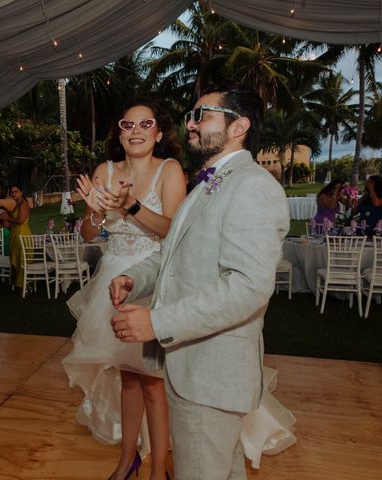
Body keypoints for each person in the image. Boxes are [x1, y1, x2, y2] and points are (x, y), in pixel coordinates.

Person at [109, 82, 294, 479]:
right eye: (192, 115)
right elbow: (172, 254)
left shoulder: (253, 187)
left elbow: (247, 287)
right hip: (191, 367)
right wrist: (133, 278)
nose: (190, 124)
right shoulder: (205, 186)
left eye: (202, 116)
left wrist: (157, 323)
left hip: (212, 374)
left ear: (237, 126)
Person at [62, 98, 186, 480]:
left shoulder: (170, 170)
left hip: (154, 284)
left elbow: (172, 230)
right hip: (111, 285)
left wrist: (130, 204)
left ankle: (159, 470)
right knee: (128, 379)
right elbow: (87, 232)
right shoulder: (106, 170)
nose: (135, 130)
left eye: (145, 124)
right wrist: (96, 212)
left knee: (153, 383)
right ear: (119, 133)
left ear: (158, 133)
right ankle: (127, 460)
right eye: (127, 125)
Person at [0, 184, 32, 289]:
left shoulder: (23, 204)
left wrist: (7, 217)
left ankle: (24, 286)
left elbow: (20, 221)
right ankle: (18, 285)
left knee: (22, 260)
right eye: (11, 192)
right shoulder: (17, 205)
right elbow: (12, 223)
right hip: (15, 234)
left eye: (16, 191)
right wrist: (3, 219)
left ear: (21, 192)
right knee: (15, 259)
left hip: (22, 234)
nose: (13, 194)